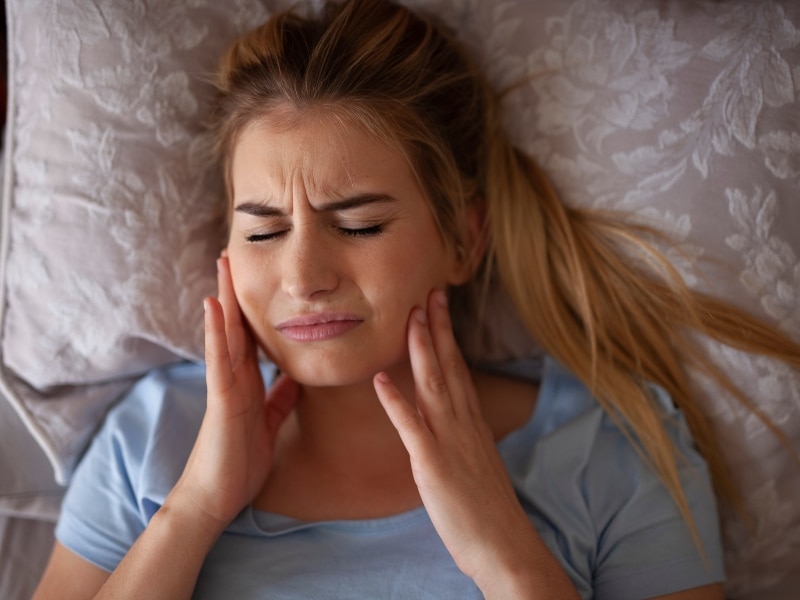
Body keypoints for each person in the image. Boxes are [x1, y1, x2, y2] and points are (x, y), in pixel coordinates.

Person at [32, 0, 800, 598]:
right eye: (263, 233)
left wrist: (510, 560)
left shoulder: (615, 454)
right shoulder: (151, 439)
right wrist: (194, 511)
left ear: (464, 240)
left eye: (359, 224)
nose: (304, 277)